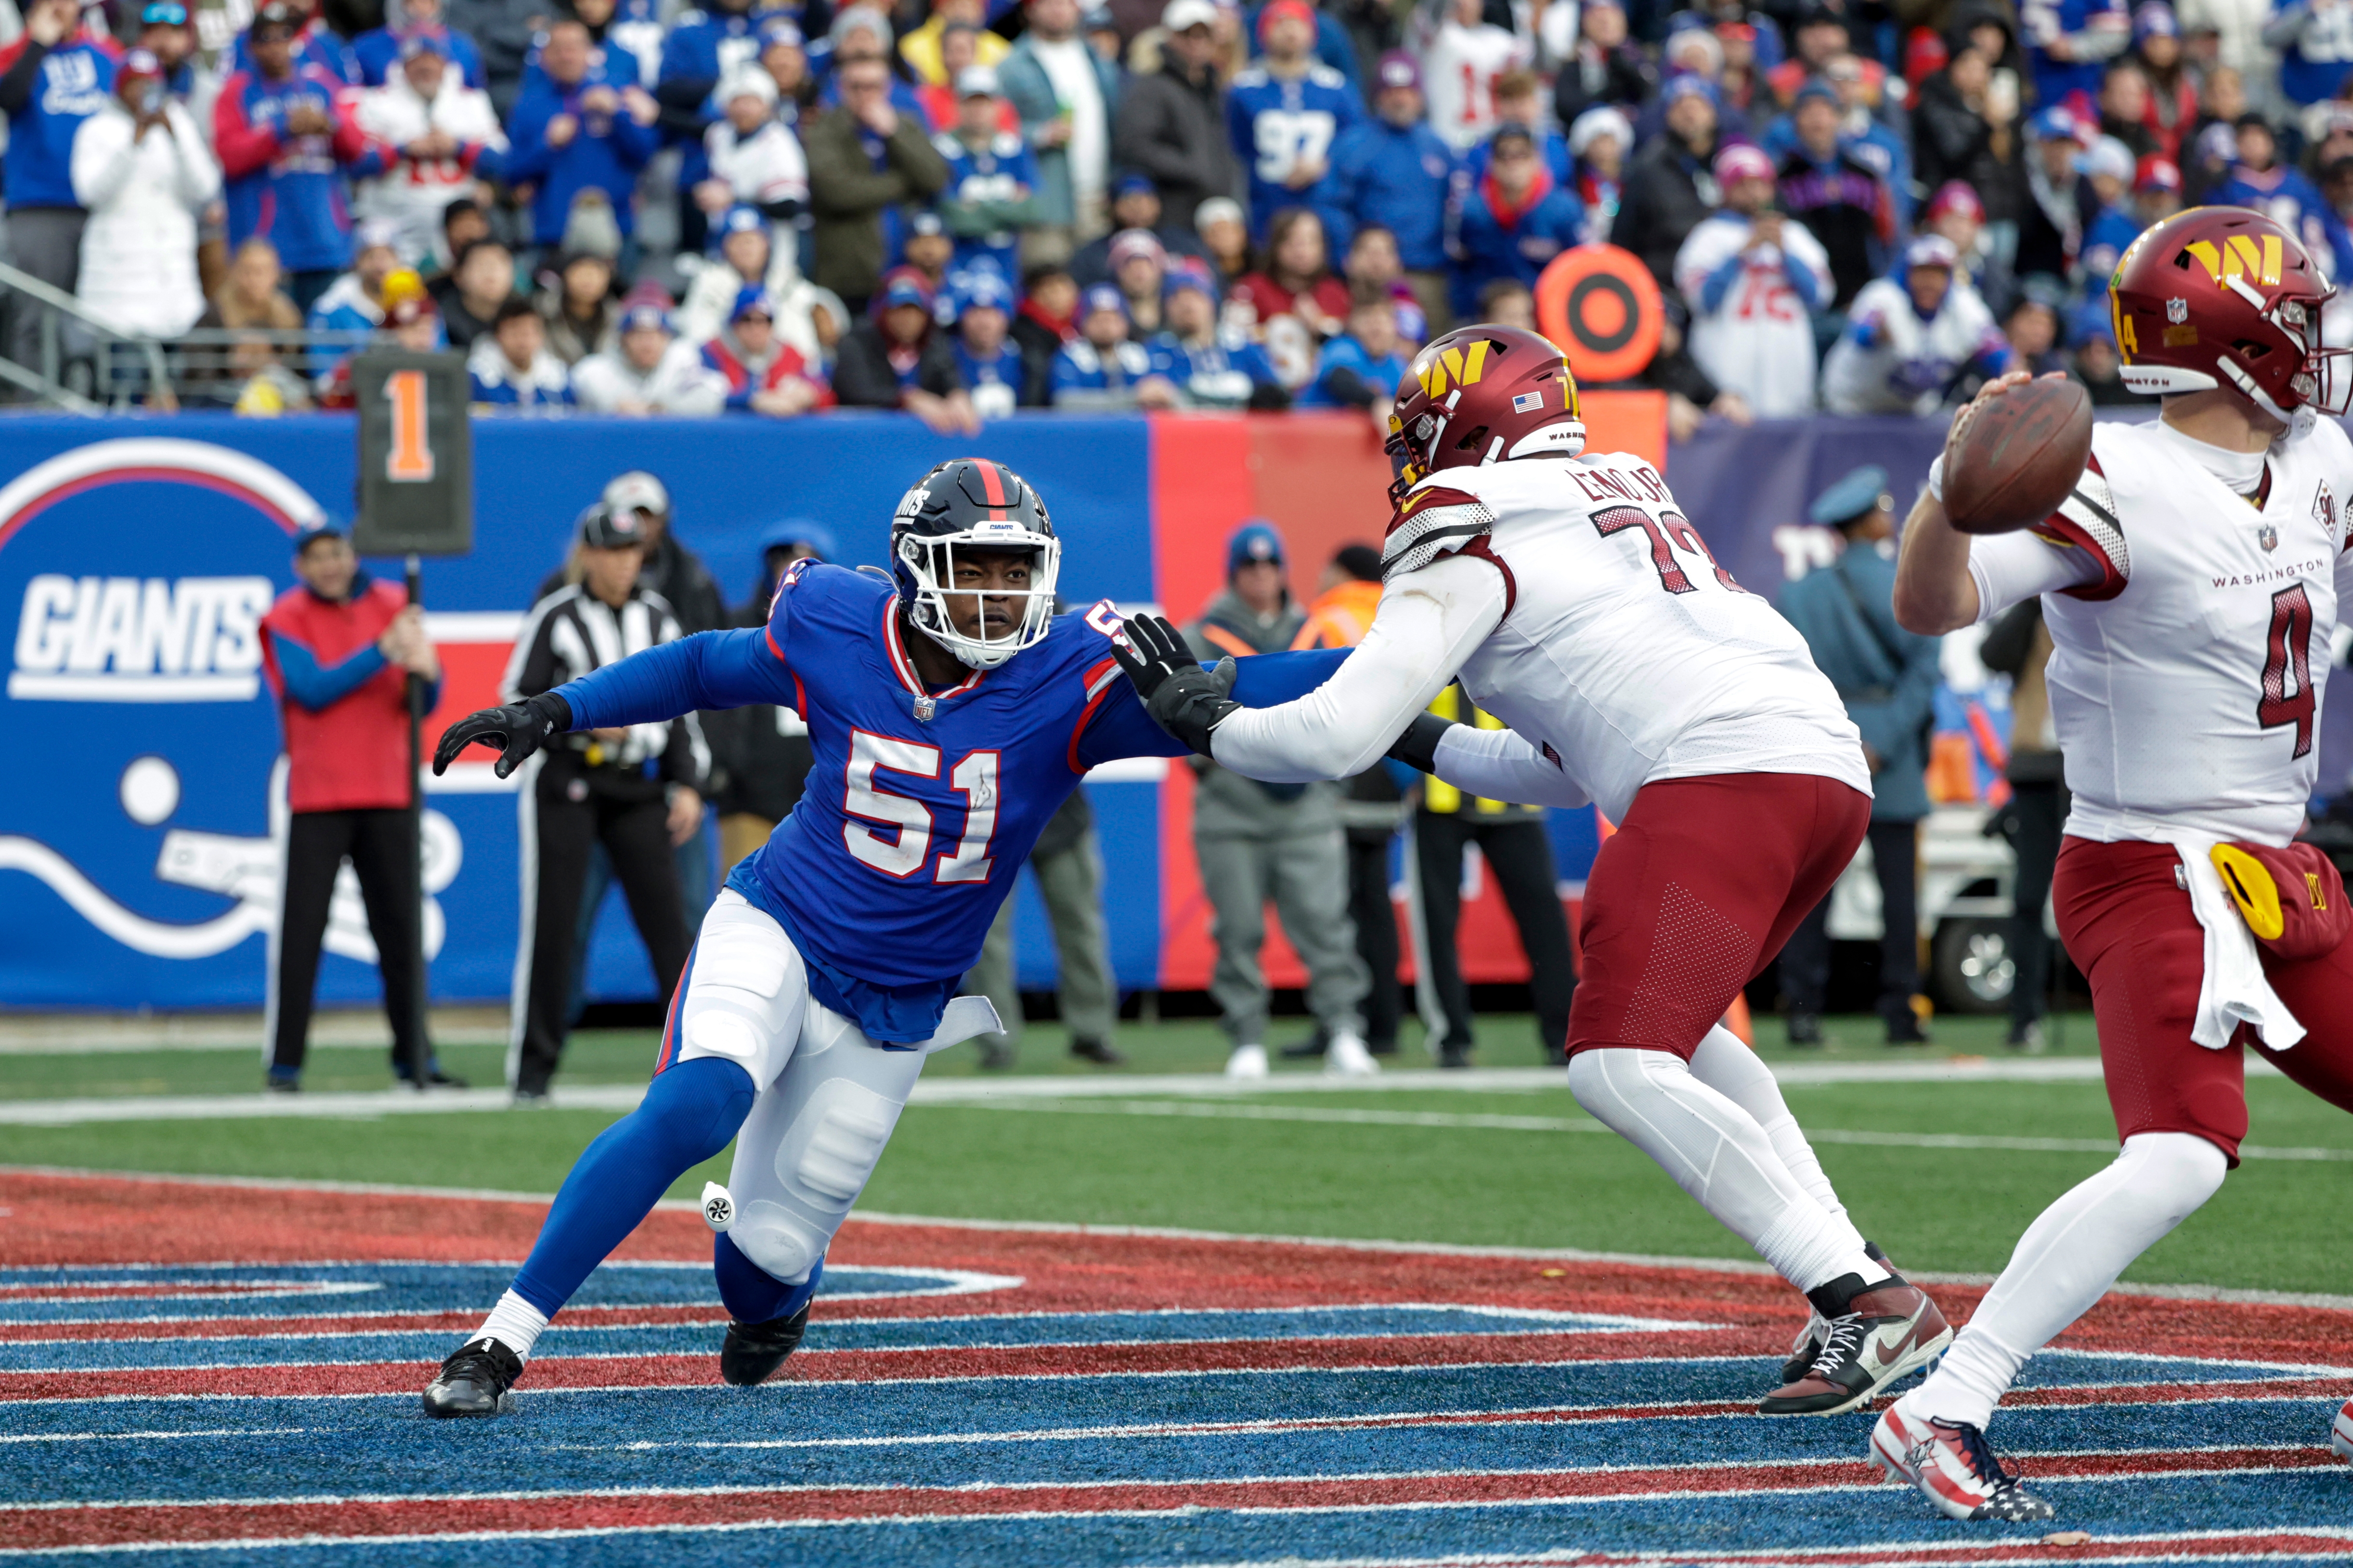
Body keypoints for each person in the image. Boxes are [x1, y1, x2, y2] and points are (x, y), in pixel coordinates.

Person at [1112, 322, 1951, 1418]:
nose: (1409, 462)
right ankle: (1857, 1284)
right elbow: (1561, 769)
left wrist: (1211, 725)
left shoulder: (1465, 516)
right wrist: (1423, 737)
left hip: (1720, 772)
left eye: (1418, 435)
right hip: (1818, 769)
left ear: (1464, 427)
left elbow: (1328, 739)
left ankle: (1864, 1296)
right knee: (1687, 1039)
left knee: (1615, 1062)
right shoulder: (1616, 483)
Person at [417, 458, 1350, 1414]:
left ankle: (778, 1302)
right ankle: (500, 1337)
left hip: (896, 1006)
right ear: (914, 566)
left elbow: (1258, 680)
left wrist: (1420, 664)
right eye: (974, 567)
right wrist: (558, 706)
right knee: (698, 1103)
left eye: (1013, 570)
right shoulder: (835, 625)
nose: (997, 594)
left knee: (764, 1268)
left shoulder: (1069, 676)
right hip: (782, 921)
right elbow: (702, 665)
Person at [1873, 205, 2353, 1521]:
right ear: (2237, 341)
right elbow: (1933, 606)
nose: (2314, 345)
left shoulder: (2316, 460)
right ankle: (1942, 1399)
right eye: (2296, 322)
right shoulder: (2114, 481)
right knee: (2182, 1151)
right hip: (2145, 861)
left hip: (2272, 861)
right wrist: (1939, 492)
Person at [499, 501, 707, 1104]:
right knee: (556, 928)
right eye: (612, 551)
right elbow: (519, 700)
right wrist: (584, 724)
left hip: (641, 788)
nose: (622, 563)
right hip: (571, 785)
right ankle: (533, 1072)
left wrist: (689, 781)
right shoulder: (557, 615)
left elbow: (685, 704)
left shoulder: (659, 615)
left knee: (671, 931)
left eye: (632, 551)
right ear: (588, 555)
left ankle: (698, 1061)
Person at [258, 522, 456, 1092]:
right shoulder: (286, 616)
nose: (330, 565)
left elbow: (423, 697)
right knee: (302, 933)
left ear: (352, 554)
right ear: (301, 565)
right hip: (319, 795)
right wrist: (381, 652)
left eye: (337, 552)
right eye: (317, 556)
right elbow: (310, 690)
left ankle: (415, 1057)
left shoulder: (396, 602)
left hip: (389, 789)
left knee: (400, 932)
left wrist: (426, 668)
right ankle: (285, 1063)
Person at [1182, 521, 1378, 1079]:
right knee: (1238, 929)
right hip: (1232, 808)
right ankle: (1246, 1036)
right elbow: (1178, 715)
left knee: (1325, 924)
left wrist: (1329, 776)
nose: (1262, 577)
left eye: (1270, 567)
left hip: (1306, 805)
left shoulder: (1315, 631)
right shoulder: (1203, 634)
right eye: (1251, 567)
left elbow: (1347, 708)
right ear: (1234, 573)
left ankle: (1343, 1028)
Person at [1774, 466, 1941, 1047]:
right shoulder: (1908, 584)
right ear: (1870, 520)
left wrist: (1839, 737)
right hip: (1889, 761)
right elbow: (1924, 677)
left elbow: (1788, 678)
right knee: (1900, 896)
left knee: (1813, 892)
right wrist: (1883, 741)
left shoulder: (1799, 593)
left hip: (1825, 751)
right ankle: (1901, 1011)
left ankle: (1802, 1008)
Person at [1404, 681, 1578, 1068]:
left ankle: (1563, 1035)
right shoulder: (1426, 627)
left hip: (1516, 795)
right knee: (1437, 923)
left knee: (1545, 924)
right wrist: (1405, 777)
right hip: (1439, 795)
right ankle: (1451, 1039)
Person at [216, 1, 388, 316]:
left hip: (324, 241)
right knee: (274, 346)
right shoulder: (236, 92)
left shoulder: (321, 84)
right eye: (266, 38)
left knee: (321, 343)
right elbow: (229, 156)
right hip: (267, 248)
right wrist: (283, 130)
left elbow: (360, 151)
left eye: (284, 36)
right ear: (251, 47)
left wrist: (331, 127)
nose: (277, 45)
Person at [962, 778, 1125, 1068]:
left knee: (1080, 928)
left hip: (1059, 816)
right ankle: (995, 1038)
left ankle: (1093, 1033)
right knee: (984, 935)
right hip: (989, 822)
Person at [0, 0, 122, 376]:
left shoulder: (108, 53)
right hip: (39, 205)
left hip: (103, 205)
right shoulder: (15, 54)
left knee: (98, 318)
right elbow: (8, 98)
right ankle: (35, 414)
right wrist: (37, 44)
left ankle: (93, 410)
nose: (62, 6)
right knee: (37, 318)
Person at [69, 48, 219, 343]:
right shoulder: (96, 129)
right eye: (134, 83)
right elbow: (90, 194)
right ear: (120, 87)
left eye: (149, 83)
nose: (142, 91)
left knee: (172, 380)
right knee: (124, 379)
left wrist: (176, 137)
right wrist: (132, 142)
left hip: (173, 286)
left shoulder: (179, 123)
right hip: (119, 289)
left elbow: (205, 188)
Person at [1673, 142, 1832, 418]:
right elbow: (1702, 301)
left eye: (1760, 183)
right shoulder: (1707, 236)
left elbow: (1821, 297)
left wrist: (1786, 254)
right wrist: (1743, 253)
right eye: (1742, 184)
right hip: (1727, 364)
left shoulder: (1794, 235)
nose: (1753, 192)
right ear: (1725, 189)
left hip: (1786, 363)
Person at [713, 520, 832, 875]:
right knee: (740, 910)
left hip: (820, 808)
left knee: (820, 912)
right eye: (782, 559)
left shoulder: (838, 638)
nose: (792, 571)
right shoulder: (738, 631)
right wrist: (728, 771)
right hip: (748, 804)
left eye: (806, 562)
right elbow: (714, 707)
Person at [804, 52, 953, 312]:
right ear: (841, 89)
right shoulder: (824, 129)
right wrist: (903, 185)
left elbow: (936, 178)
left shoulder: (906, 124)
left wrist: (895, 133)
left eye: (873, 86)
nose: (865, 94)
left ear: (887, 88)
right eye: (856, 87)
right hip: (850, 273)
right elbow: (836, 192)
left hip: (907, 267)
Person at [504, 19, 659, 265]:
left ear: (591, 53)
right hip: (554, 231)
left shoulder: (619, 91)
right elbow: (511, 172)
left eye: (574, 48)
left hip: (617, 227)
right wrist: (547, 145)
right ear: (544, 57)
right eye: (558, 49)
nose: (567, 57)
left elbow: (646, 154)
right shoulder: (529, 104)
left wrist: (618, 115)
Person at [1978, 595, 2061, 1051]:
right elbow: (1990, 655)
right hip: (2035, 769)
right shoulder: (2032, 616)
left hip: (2089, 769)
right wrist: (2031, 604)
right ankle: (2024, 1014)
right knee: (2029, 896)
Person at [349, 34, 505, 266]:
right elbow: (356, 165)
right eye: (417, 63)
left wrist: (459, 147)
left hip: (457, 225)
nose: (425, 68)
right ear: (403, 68)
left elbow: (503, 163)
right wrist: (404, 149)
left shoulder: (472, 102)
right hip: (393, 225)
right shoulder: (375, 103)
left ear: (445, 65)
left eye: (432, 61)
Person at [1324, 52, 1453, 328]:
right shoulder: (1354, 145)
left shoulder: (1438, 147)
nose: (1400, 99)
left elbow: (1454, 206)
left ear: (1419, 96)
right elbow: (1331, 205)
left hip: (1425, 273)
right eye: (1391, 91)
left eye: (1407, 91)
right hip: (1369, 279)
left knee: (1435, 361)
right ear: (1378, 97)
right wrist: (1348, 256)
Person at [1822, 234, 2012, 415]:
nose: (1930, 282)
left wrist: (2014, 373)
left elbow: (2000, 357)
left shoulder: (1965, 308)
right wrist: (1877, 334)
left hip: (1912, 414)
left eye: (1938, 274)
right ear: (1906, 273)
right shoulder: (1884, 297)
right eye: (1923, 272)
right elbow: (1862, 334)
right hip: (1853, 408)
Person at [997, 0, 1120, 262]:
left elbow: (1113, 120)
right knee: (1048, 283)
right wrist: (1040, 134)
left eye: (1065, 2)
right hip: (1047, 203)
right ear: (1030, 10)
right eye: (1048, 3)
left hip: (1097, 198)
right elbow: (998, 130)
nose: (1058, 9)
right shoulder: (1013, 65)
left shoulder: (1095, 57)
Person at [1225, 0, 1358, 239]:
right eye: (1280, 23)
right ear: (1264, 33)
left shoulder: (1337, 88)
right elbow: (1235, 152)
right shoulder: (1242, 90)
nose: (1290, 31)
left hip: (1325, 211)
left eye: (1298, 23)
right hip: (1265, 210)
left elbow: (1358, 143)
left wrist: (1325, 164)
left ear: (1313, 32)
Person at [1112, 0, 1235, 230]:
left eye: (1204, 34)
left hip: (1213, 212)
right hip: (1173, 211)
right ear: (1169, 36)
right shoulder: (1151, 88)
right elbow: (1135, 146)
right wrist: (1195, 170)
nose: (1196, 42)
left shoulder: (1215, 89)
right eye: (1187, 34)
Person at [1449, 123, 1587, 320]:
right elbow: (1461, 270)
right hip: (1490, 319)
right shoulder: (1472, 211)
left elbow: (1580, 269)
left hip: (1547, 315)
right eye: (1503, 155)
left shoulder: (1565, 209)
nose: (1512, 163)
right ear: (1491, 162)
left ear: (1537, 159)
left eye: (1522, 155)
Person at [1775, 79, 1893, 310]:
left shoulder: (1866, 175)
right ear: (1796, 122)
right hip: (1807, 299)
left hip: (1861, 295)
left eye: (1825, 111)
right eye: (1808, 111)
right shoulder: (1782, 178)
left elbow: (1886, 235)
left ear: (1838, 119)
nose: (1818, 120)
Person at [1614, 75, 1726, 289]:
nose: (1689, 113)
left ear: (1714, 113)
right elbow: (1623, 242)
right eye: (1680, 106)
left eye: (1698, 105)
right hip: (1666, 289)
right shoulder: (1647, 169)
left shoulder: (1736, 164)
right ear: (1667, 116)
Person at [834, 270, 980, 430]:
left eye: (915, 310)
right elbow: (855, 391)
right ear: (884, 312)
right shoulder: (858, 340)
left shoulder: (934, 341)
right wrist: (908, 399)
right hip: (863, 434)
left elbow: (949, 374)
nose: (907, 319)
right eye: (899, 310)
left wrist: (958, 394)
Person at [935, 65, 1040, 283]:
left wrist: (977, 207)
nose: (978, 110)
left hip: (1008, 263)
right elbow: (952, 215)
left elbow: (1033, 209)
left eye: (985, 102)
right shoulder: (941, 149)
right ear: (958, 105)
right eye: (971, 102)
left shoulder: (1014, 148)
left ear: (998, 106)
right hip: (958, 263)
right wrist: (1007, 206)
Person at [1147, 266, 1288, 407]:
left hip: (1241, 427)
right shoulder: (1157, 351)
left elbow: (1276, 392)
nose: (1188, 305)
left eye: (1196, 296)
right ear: (1166, 308)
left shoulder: (1241, 348)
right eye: (1177, 298)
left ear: (1212, 302)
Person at [573, 301, 732, 415]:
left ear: (668, 339)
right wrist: (611, 409)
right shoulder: (597, 369)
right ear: (622, 341)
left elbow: (715, 395)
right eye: (638, 335)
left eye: (655, 336)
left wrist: (657, 409)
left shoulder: (681, 360)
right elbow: (562, 402)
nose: (647, 344)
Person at [703, 287, 833, 417]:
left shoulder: (789, 355)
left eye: (764, 320)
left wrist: (810, 395)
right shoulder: (711, 353)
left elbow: (826, 394)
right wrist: (751, 401)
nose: (755, 329)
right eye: (746, 320)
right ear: (734, 323)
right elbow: (700, 398)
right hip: (728, 434)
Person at [1420, 0, 1528, 151]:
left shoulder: (1500, 40)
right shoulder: (1442, 34)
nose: (1464, 4)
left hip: (1491, 139)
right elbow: (1427, 19)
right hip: (1446, 135)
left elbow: (1527, 60)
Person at [1295, 289, 1407, 411]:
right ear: (1352, 324)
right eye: (1368, 320)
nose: (1376, 327)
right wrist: (1377, 403)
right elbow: (1340, 380)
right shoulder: (1343, 347)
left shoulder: (1395, 363)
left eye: (1383, 321)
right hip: (1310, 424)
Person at [947, 268, 1038, 414]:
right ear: (962, 318)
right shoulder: (944, 360)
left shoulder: (1027, 361)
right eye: (976, 312)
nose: (984, 323)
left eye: (992, 313)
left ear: (1007, 319)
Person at [351, 0, 487, 89]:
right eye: (412, 1)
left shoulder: (464, 48)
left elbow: (475, 101)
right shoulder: (365, 48)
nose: (421, 6)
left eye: (429, 1)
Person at [469, 296, 575, 406]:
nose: (523, 341)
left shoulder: (558, 379)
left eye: (529, 333)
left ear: (542, 336)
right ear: (498, 335)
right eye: (515, 333)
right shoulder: (477, 379)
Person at [536, 249, 620, 364]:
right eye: (580, 271)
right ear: (565, 275)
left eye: (596, 272)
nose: (588, 279)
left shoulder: (618, 316)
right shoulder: (543, 312)